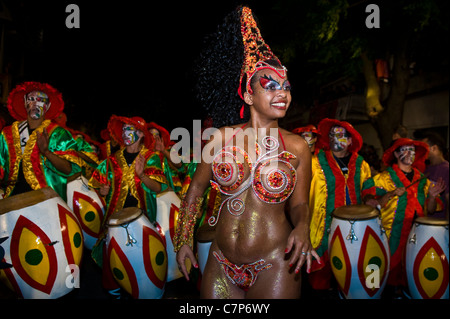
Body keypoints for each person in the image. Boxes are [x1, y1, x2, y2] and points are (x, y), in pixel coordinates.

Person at [174, 6, 317, 299]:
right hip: (220, 263)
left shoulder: (297, 146)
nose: (283, 93)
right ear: (249, 95)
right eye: (272, 86)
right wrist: (183, 240)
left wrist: (303, 227)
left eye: (286, 87)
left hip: (276, 263)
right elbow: (195, 191)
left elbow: (301, 204)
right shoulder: (222, 138)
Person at [89, 115, 168, 298]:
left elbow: (159, 187)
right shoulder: (110, 161)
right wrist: (103, 190)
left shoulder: (151, 157)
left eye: (130, 129)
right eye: (124, 129)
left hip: (144, 219)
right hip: (115, 220)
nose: (125, 133)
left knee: (144, 264)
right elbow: (98, 189)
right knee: (114, 264)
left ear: (141, 134)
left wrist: (142, 176)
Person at [362, 138, 445, 289]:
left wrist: (432, 197)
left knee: (414, 278)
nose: (409, 153)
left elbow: (431, 210)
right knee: (383, 279)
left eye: (412, 150)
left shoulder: (422, 180)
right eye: (405, 149)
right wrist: (390, 194)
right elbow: (370, 202)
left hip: (417, 238)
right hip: (389, 237)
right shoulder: (382, 179)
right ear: (395, 153)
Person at [308, 118, 371, 290]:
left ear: (350, 140)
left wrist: (374, 198)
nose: (336, 139)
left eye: (341, 135)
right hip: (322, 228)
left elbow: (368, 190)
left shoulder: (361, 164)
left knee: (350, 277)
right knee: (320, 282)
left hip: (352, 229)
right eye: (332, 135)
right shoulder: (314, 162)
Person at [0, 81, 82, 201]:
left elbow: (69, 169)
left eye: (41, 100)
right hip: (13, 200)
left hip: (47, 202)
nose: (35, 103)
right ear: (25, 102)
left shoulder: (58, 134)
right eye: (31, 98)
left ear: (47, 106)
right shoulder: (7, 134)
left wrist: (46, 153)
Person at [420, 131, 449, 219]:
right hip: (426, 222)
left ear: (434, 148)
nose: (422, 151)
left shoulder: (446, 170)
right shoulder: (426, 169)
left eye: (424, 147)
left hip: (439, 226)